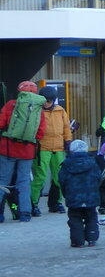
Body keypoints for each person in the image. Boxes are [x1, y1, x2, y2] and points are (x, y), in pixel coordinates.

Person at [0, 82, 47, 223]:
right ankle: (25, 213)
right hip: (27, 151)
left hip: (7, 149)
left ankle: (0, 214)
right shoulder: (39, 109)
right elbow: (41, 132)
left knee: (3, 181)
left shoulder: (10, 105)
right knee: (24, 182)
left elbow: (1, 123)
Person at [31, 86, 72, 216]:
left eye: (49, 101)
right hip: (42, 148)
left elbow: (66, 127)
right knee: (40, 177)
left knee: (59, 178)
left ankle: (56, 203)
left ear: (53, 100)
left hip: (58, 148)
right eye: (45, 101)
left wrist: (68, 141)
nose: (46, 103)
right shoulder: (37, 110)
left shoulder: (60, 111)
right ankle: (33, 204)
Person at [60, 139, 101, 247]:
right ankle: (92, 238)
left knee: (75, 219)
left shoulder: (66, 164)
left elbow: (61, 180)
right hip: (90, 197)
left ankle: (77, 241)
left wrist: (66, 194)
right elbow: (98, 178)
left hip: (74, 197)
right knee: (91, 217)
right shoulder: (92, 162)